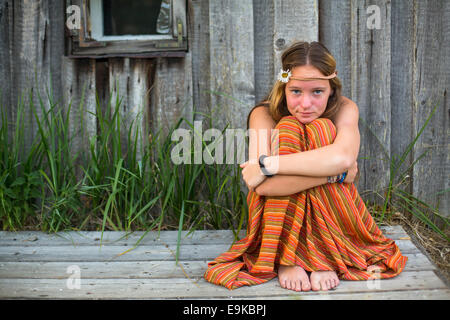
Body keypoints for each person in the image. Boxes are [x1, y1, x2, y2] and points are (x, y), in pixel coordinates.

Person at [204, 41, 407, 292]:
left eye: (317, 92)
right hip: (279, 215)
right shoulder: (263, 114)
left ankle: (323, 252)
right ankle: (288, 255)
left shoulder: (345, 108)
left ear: (332, 89)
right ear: (284, 86)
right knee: (288, 127)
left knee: (322, 128)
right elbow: (265, 186)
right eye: (296, 91)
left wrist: (268, 164)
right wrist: (335, 176)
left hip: (332, 217)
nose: (306, 104)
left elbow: (342, 158)